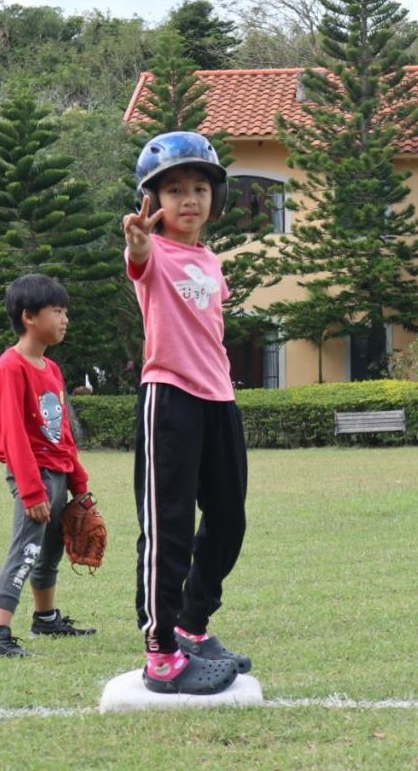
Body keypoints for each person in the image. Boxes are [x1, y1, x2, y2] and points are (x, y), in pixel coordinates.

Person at [122, 131, 250, 695]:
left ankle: (192, 626)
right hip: (170, 399)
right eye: (174, 189)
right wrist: (137, 244)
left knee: (227, 521)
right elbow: (139, 259)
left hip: (219, 399)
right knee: (168, 528)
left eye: (200, 187)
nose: (189, 199)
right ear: (153, 201)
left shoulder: (209, 260)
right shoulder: (153, 254)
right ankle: (162, 654)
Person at [0, 274, 97, 657]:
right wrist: (32, 490)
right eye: (57, 311)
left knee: (50, 550)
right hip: (35, 474)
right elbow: (13, 433)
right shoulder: (10, 367)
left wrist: (79, 482)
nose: (65, 319)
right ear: (29, 316)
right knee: (26, 548)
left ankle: (44, 618)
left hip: (57, 471)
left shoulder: (52, 368)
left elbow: (61, 431)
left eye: (66, 311)